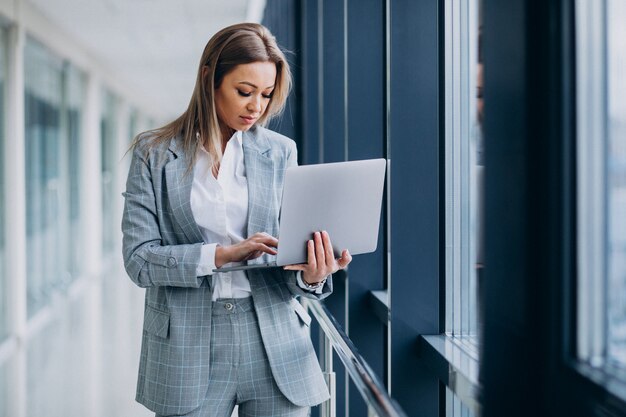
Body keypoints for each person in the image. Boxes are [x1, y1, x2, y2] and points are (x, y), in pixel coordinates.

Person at [121, 23, 352, 417]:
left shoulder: (280, 152)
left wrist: (313, 274)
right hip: (186, 347)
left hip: (275, 342)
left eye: (265, 94)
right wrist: (222, 255)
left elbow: (286, 261)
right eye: (244, 92)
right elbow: (139, 260)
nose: (256, 107)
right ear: (210, 78)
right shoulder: (154, 153)